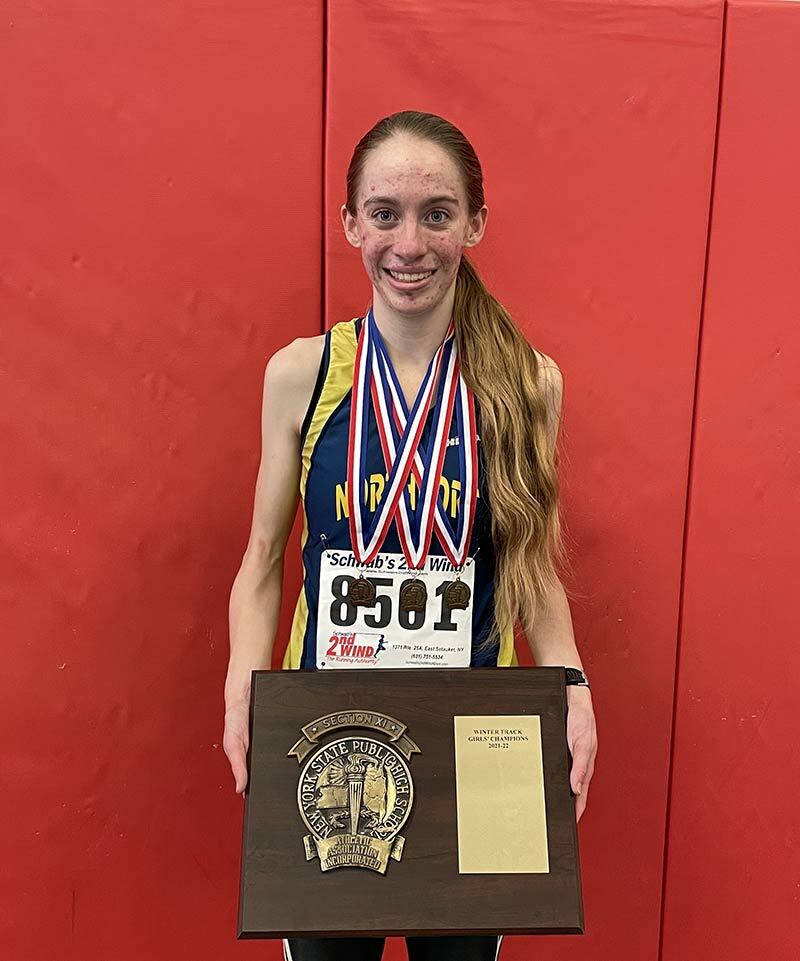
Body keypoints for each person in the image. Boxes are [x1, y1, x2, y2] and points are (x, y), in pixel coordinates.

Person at [224, 110, 598, 961]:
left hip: (480, 732)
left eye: (437, 212)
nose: (410, 241)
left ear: (474, 223)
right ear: (351, 223)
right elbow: (261, 561)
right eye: (385, 212)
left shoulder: (526, 383)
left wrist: (571, 682)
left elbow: (530, 564)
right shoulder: (303, 373)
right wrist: (245, 689)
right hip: (326, 733)